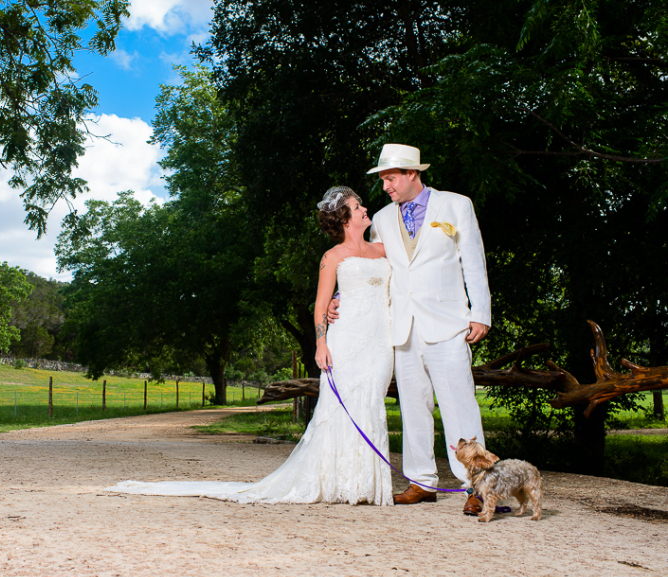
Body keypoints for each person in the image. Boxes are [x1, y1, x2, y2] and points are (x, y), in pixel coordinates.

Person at [107, 186, 394, 505]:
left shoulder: (383, 250)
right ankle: (342, 484)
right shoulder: (333, 257)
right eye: (357, 207)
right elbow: (320, 304)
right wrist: (321, 343)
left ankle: (366, 484)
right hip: (347, 340)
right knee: (340, 408)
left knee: (371, 403)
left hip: (379, 341)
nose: (365, 209)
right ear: (344, 219)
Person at [328, 144, 491, 515]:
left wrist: (480, 312)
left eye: (390, 178)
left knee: (460, 406)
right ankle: (421, 482)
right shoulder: (383, 219)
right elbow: (370, 264)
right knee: (414, 408)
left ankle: (478, 486)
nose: (385, 186)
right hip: (401, 327)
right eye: (383, 179)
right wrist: (342, 295)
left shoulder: (456, 205)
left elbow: (474, 261)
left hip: (448, 323)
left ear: (412, 174)